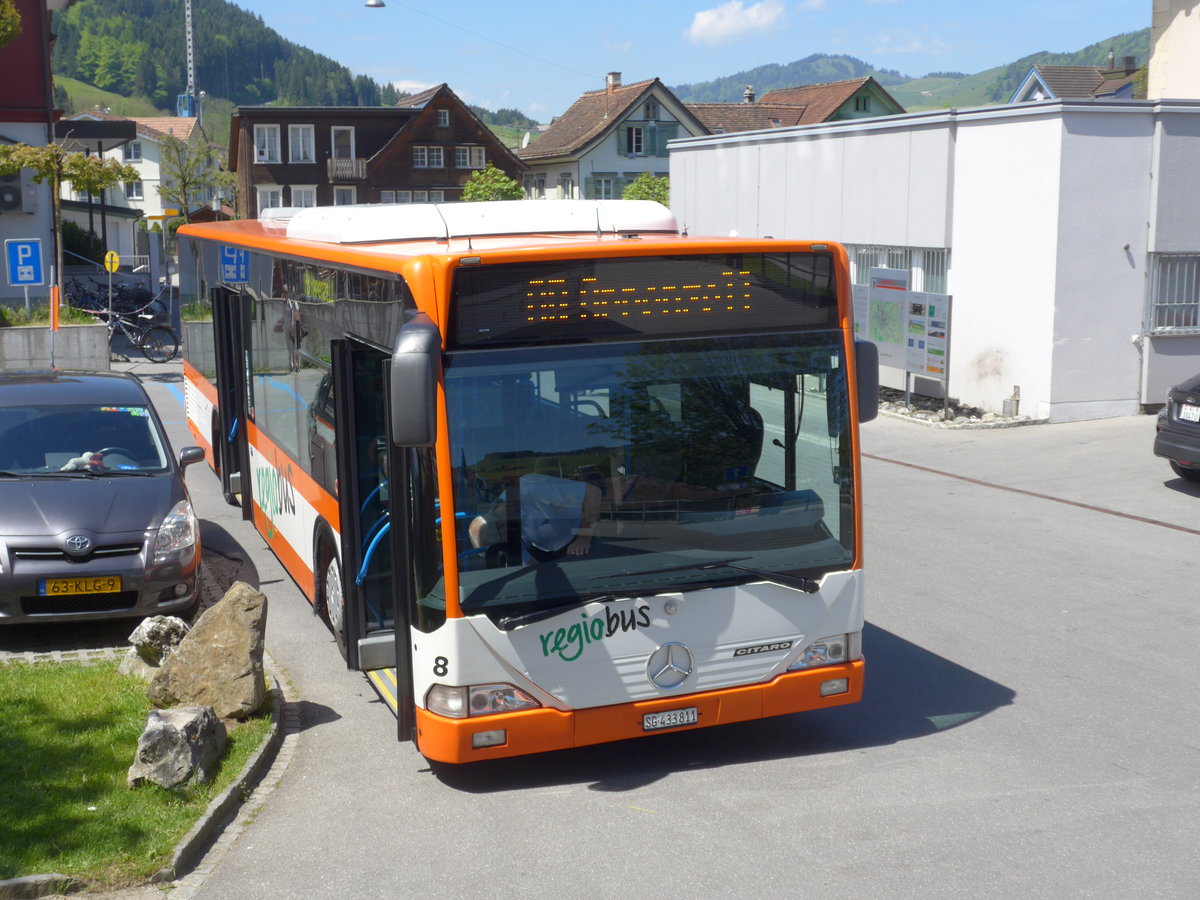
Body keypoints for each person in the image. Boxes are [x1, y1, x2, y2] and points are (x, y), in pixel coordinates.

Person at [468, 468, 601, 564]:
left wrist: (583, 537)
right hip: (559, 555)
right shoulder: (507, 528)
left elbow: (593, 493)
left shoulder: (530, 488)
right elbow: (529, 563)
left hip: (590, 535)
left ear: (501, 525)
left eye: (503, 542)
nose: (509, 545)